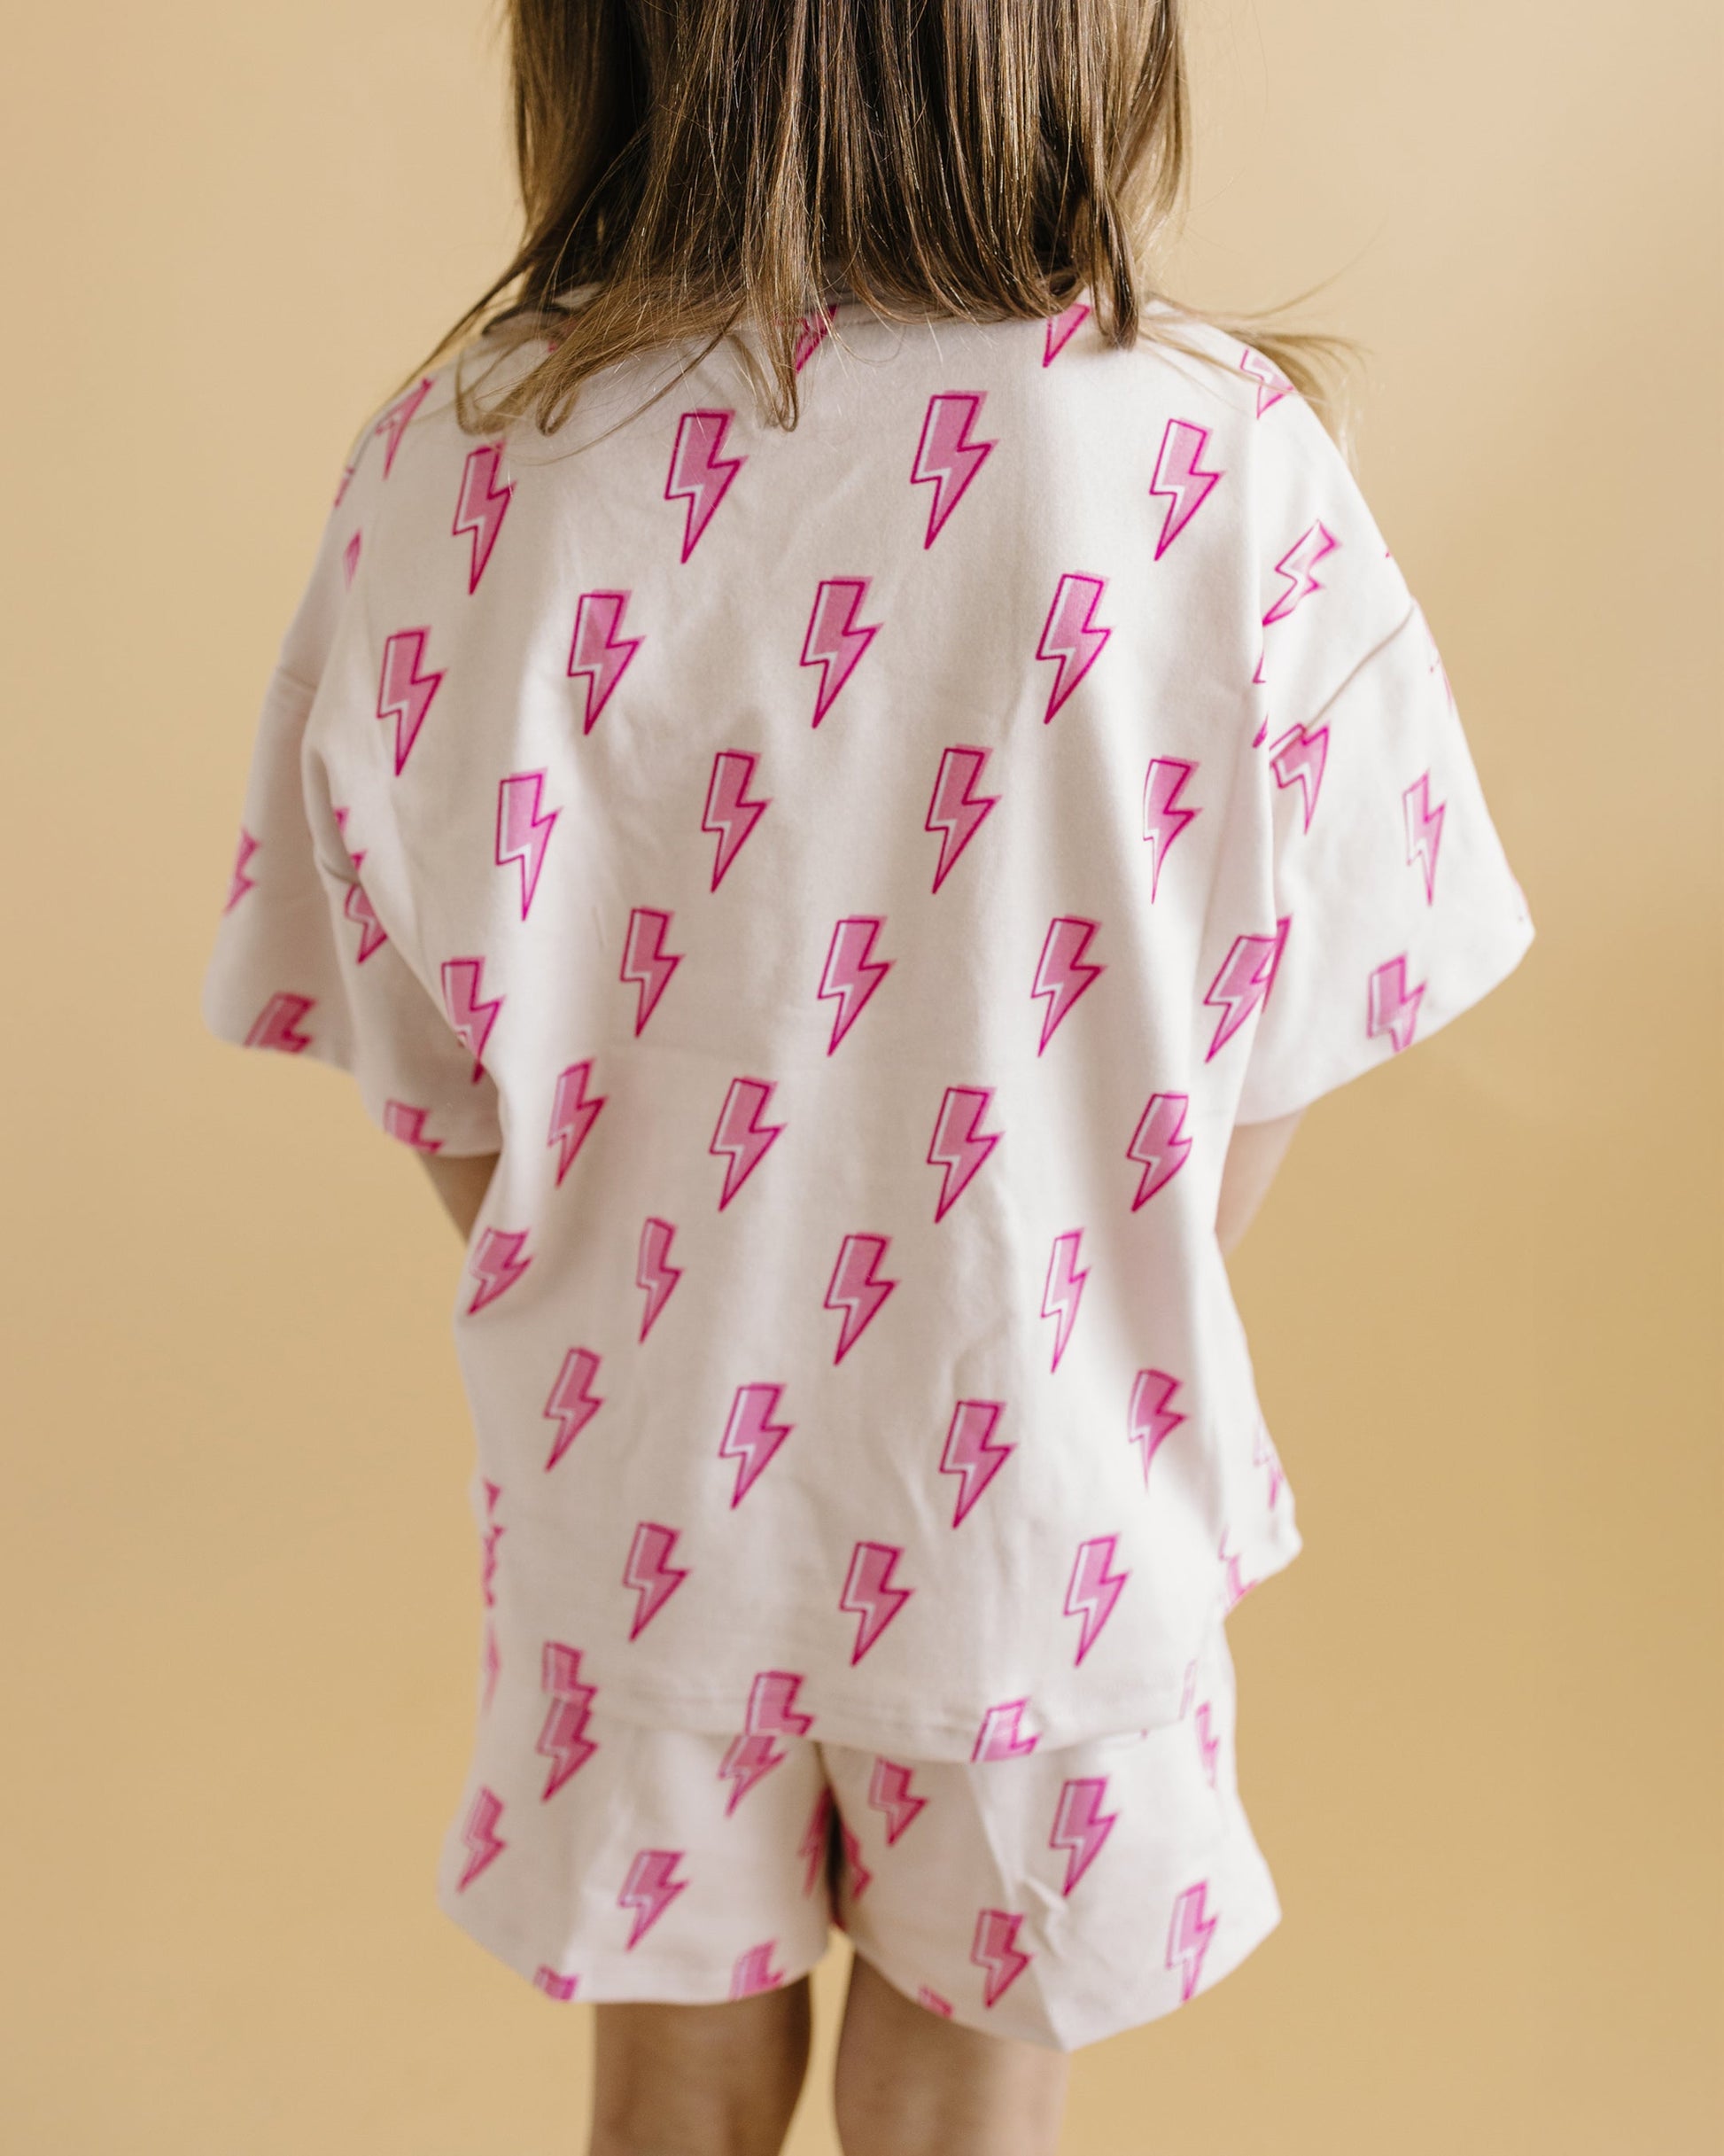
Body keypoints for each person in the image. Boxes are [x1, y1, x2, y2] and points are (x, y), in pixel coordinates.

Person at [199, 3, 1536, 2149]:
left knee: (670, 2077)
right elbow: (1268, 1050)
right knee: (966, 2088)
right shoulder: (1210, 458)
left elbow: (433, 1065)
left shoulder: (452, 462)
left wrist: (634, 1299)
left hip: (634, 1487)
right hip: (1040, 1496)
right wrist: (1062, 1289)